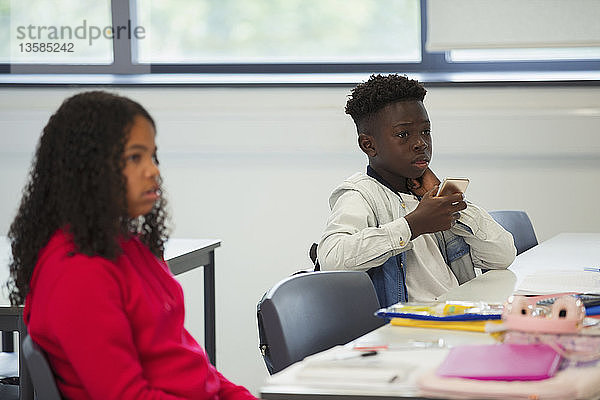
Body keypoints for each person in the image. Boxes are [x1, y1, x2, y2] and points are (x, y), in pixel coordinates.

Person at [7, 91, 257, 400]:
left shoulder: (129, 246)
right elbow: (126, 395)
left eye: (153, 156)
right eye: (135, 157)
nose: (153, 170)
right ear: (89, 168)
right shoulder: (77, 272)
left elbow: (187, 360)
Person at [317, 74, 516, 308]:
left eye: (425, 132)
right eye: (403, 134)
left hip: (458, 314)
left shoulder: (430, 196)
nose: (420, 143)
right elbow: (332, 258)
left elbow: (503, 255)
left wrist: (446, 197)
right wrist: (413, 225)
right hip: (408, 327)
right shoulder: (360, 194)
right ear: (369, 145)